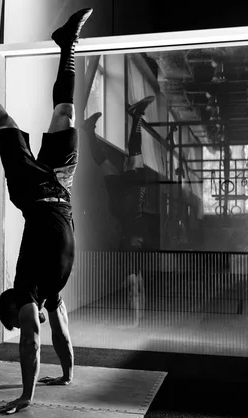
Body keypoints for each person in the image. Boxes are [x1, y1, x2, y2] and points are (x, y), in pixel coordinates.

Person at [0, 7, 93, 414]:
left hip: (32, 192)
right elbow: (61, 334)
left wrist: (26, 396)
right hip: (61, 187)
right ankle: (67, 43)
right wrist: (67, 374)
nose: (24, 327)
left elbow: (31, 340)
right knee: (64, 113)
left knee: (1, 118)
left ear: (14, 306)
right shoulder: (51, 295)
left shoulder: (27, 287)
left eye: (15, 322)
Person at [82, 95, 155, 327]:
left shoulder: (133, 250)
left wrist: (134, 322)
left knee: (135, 161)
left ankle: (136, 116)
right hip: (121, 208)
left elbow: (134, 287)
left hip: (130, 207)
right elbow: (137, 287)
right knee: (107, 166)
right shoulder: (135, 254)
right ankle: (88, 131)